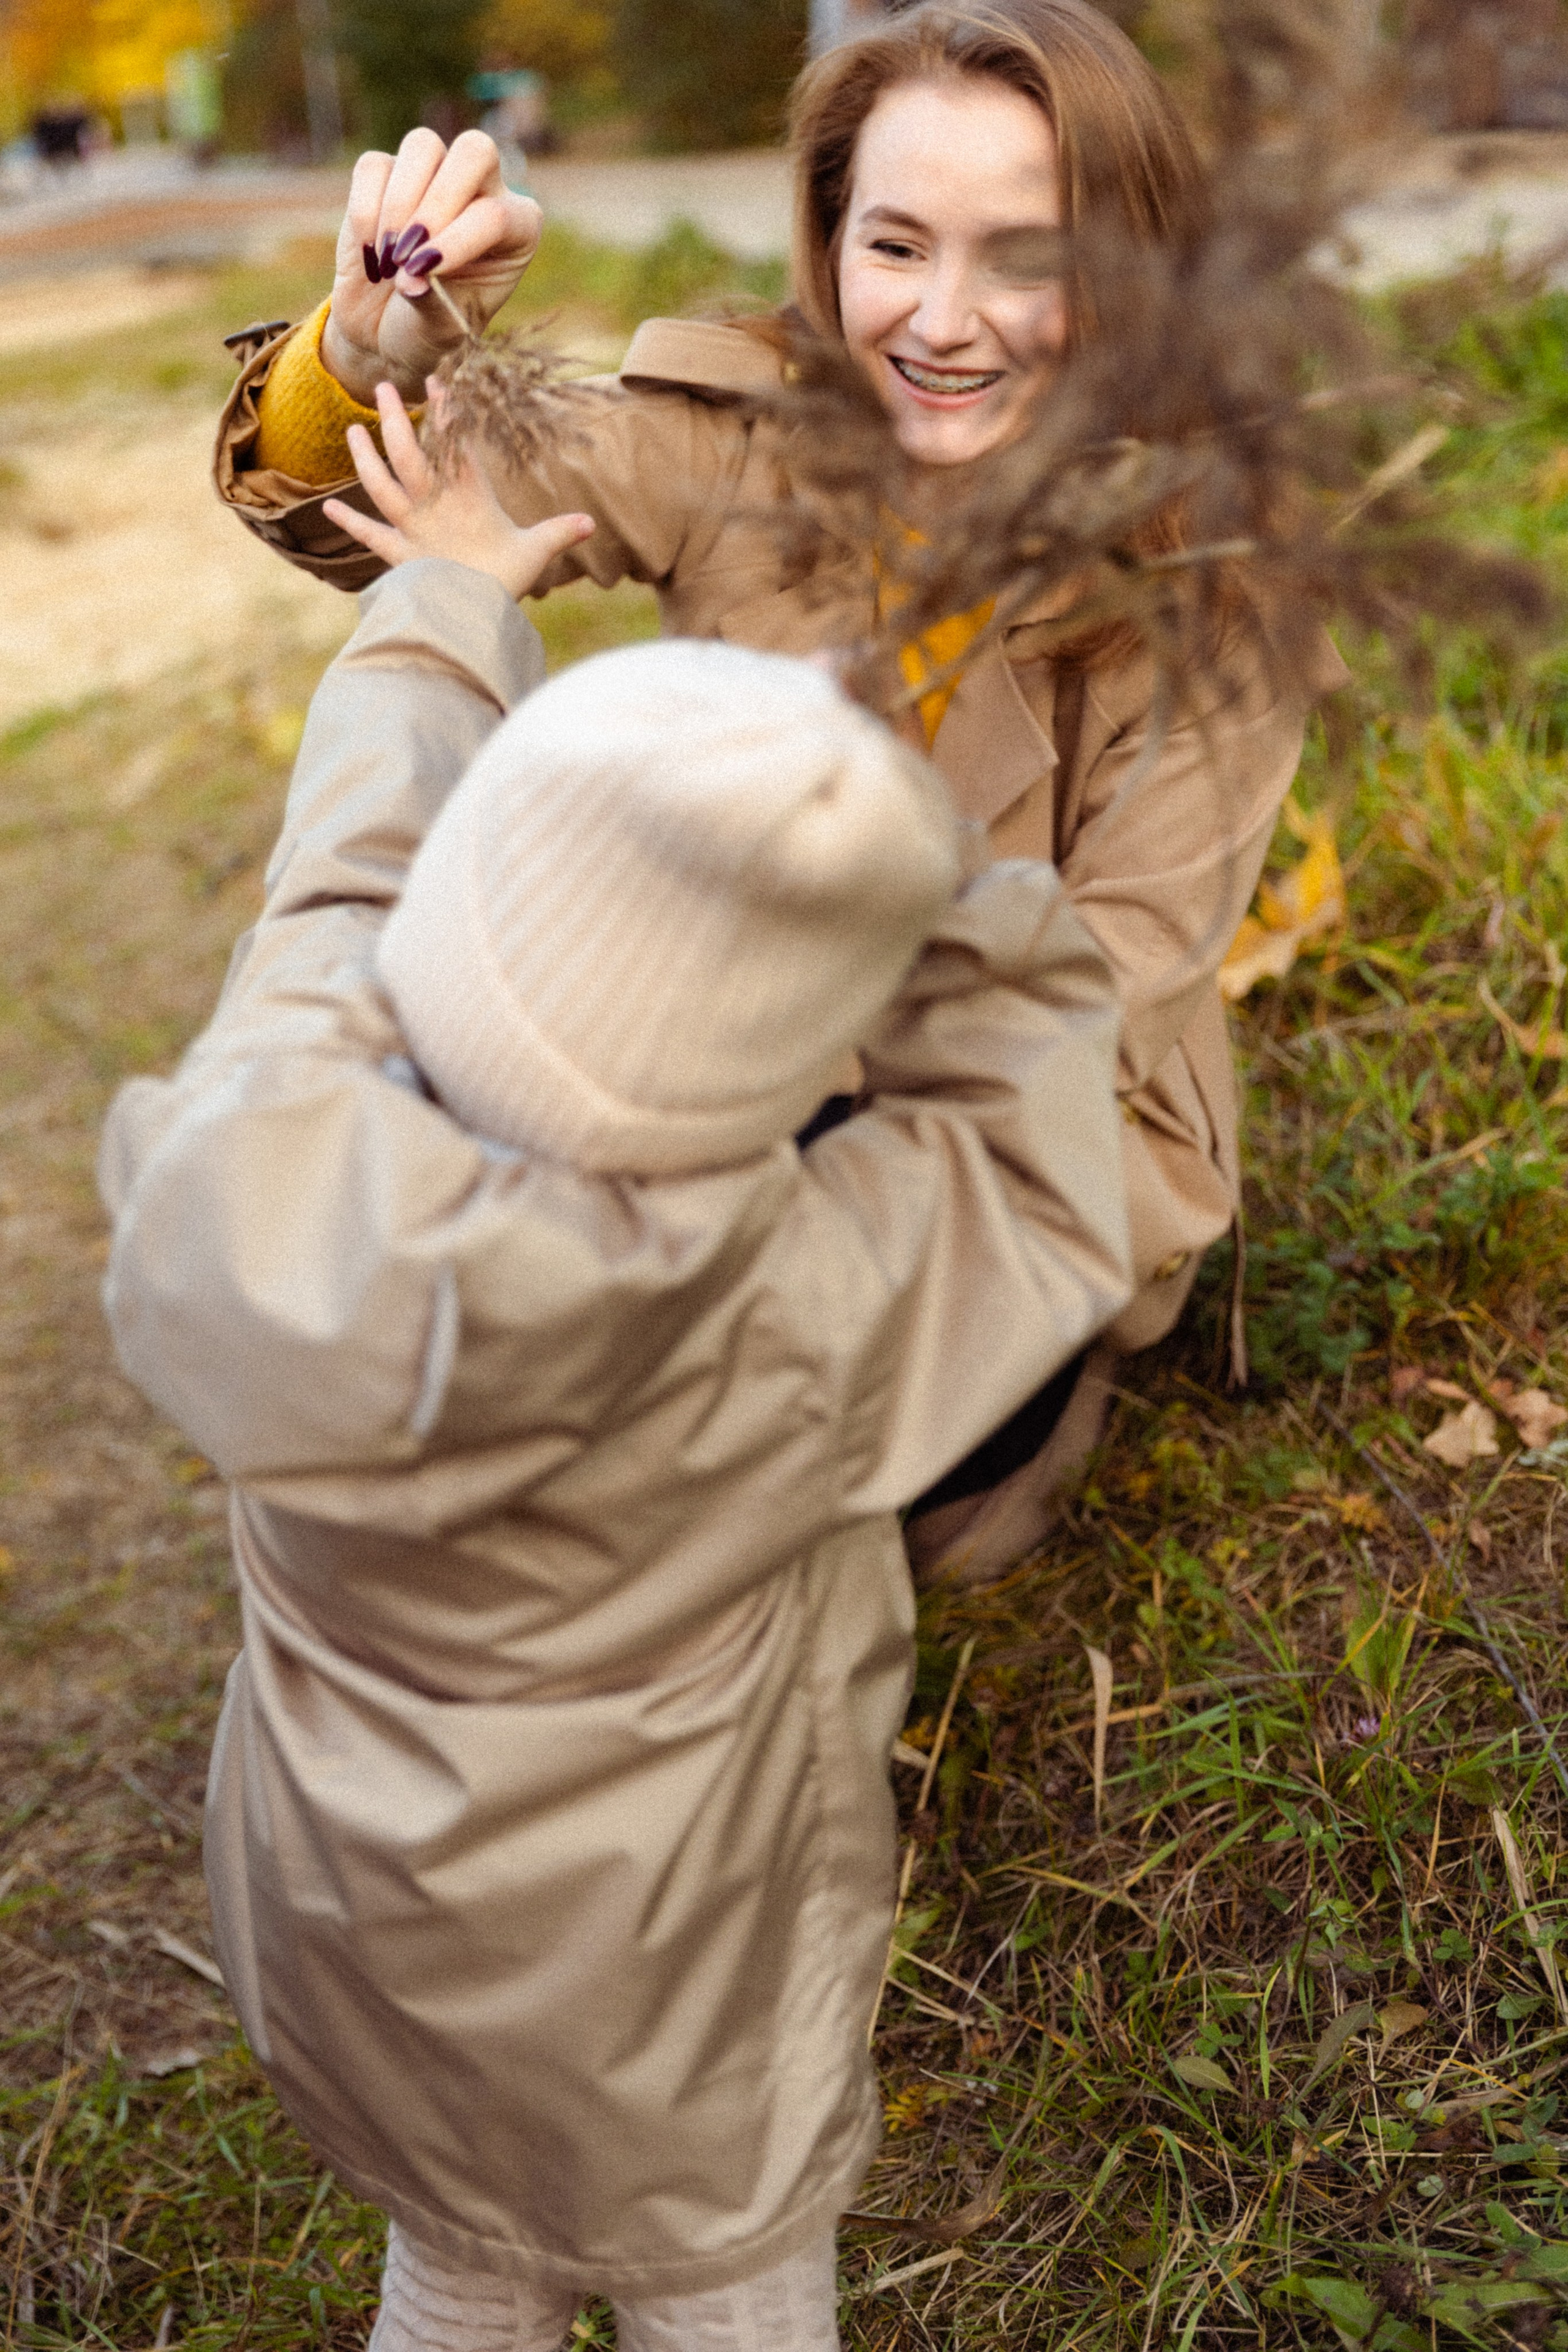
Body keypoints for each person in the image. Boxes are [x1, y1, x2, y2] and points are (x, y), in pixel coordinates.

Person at [99, 420, 1132, 2348]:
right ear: (777, 1064)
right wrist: (883, 890)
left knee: (461, 2263)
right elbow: (1044, 1151)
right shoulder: (783, 1319)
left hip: (371, 1960)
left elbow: (348, 862)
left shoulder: (255, 1140)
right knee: (729, 2296)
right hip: (683, 2040)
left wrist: (441, 614)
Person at [211, 0, 1346, 1583]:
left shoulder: (1218, 585)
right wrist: (367, 355)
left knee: (703, 1466)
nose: (945, 320)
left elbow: (1088, 1011)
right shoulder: (754, 435)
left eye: (1028, 262)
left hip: (1009, 1145)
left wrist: (709, 1201)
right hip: (717, 1091)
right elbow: (367, 509)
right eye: (896, 247)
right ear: (830, 240)